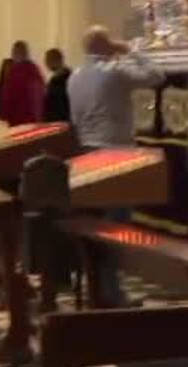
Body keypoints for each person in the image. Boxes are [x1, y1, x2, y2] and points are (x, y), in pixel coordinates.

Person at [65, 26, 166, 308]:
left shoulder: (74, 77)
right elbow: (157, 76)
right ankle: (112, 294)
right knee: (115, 227)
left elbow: (75, 118)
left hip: (85, 152)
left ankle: (97, 289)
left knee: (96, 224)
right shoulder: (114, 72)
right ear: (107, 45)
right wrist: (129, 49)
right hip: (116, 154)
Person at [0, 42, 45, 126]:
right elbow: (41, 94)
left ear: (15, 53)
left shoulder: (15, 72)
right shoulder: (35, 70)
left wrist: (3, 116)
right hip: (34, 119)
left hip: (16, 119)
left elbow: (7, 97)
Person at [41, 48, 72, 124]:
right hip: (56, 123)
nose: (46, 64)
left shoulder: (68, 79)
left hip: (62, 122)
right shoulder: (54, 80)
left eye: (48, 60)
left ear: (56, 60)